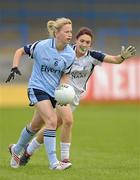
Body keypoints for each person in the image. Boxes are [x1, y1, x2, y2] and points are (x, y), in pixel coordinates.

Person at [17, 27, 136, 167]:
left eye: (88, 42)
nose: (84, 44)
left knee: (53, 124)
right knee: (68, 121)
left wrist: (122, 57)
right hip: (59, 92)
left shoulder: (93, 56)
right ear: (76, 40)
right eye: (82, 41)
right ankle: (65, 159)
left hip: (74, 97)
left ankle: (28, 150)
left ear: (90, 44)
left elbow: (115, 60)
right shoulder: (66, 52)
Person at [6, 17, 76, 170]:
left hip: (53, 94)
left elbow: (65, 74)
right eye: (66, 32)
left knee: (35, 127)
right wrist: (14, 67)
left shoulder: (70, 54)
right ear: (57, 33)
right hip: (36, 88)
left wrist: (64, 89)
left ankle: (16, 149)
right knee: (51, 121)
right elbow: (20, 51)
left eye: (71, 32)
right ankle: (53, 163)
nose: (70, 35)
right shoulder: (42, 46)